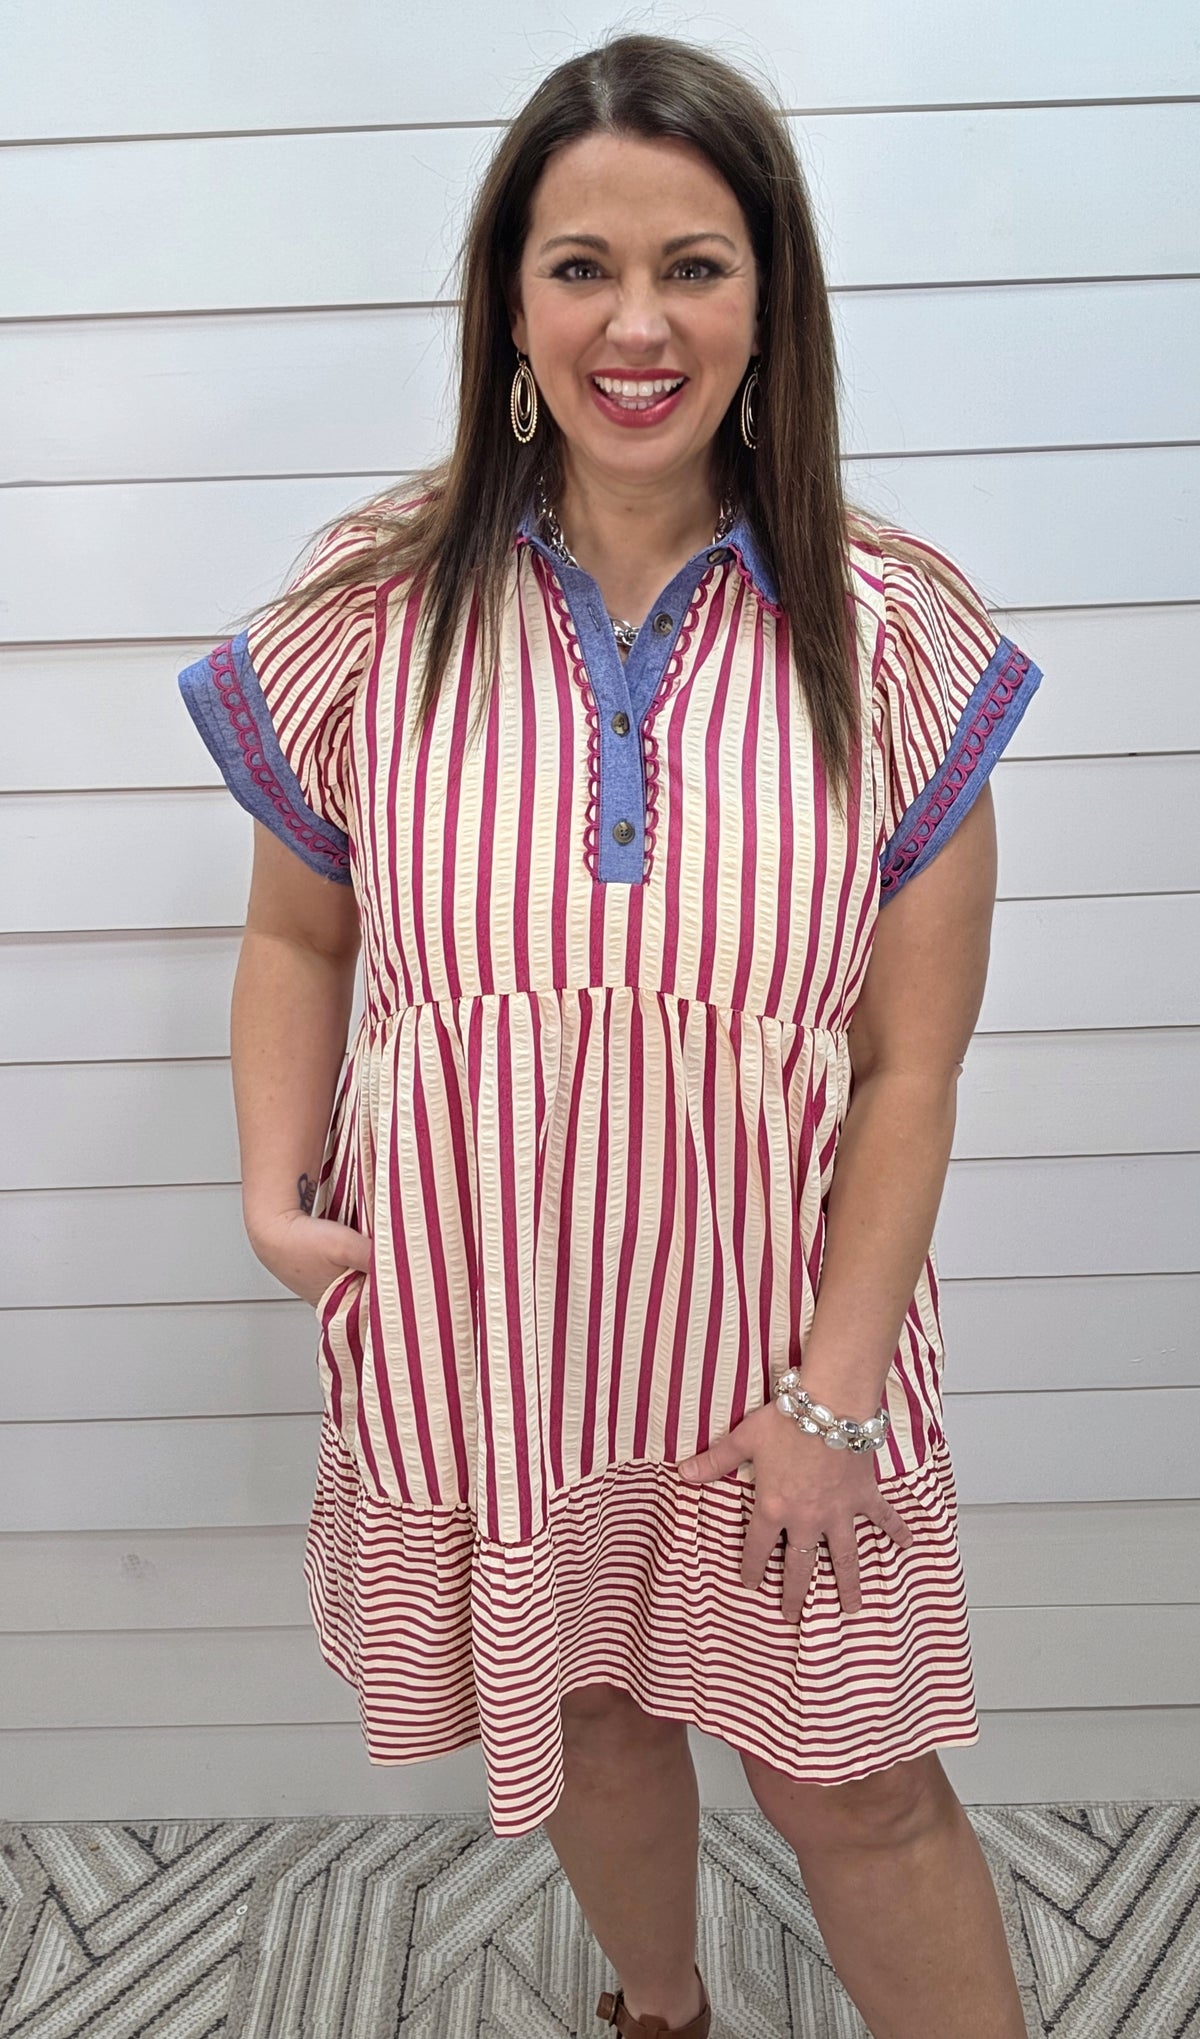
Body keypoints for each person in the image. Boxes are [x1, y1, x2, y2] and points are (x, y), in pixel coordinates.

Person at [178, 33, 1043, 2039]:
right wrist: (269, 1182)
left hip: (775, 1349)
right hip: (492, 1328)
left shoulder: (894, 627)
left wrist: (831, 1405)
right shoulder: (372, 601)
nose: (635, 323)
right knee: (585, 1712)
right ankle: (660, 2007)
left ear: (773, 299)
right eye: (579, 266)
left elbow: (909, 1065)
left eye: (695, 264)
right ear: (506, 297)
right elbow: (300, 931)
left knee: (860, 1783)